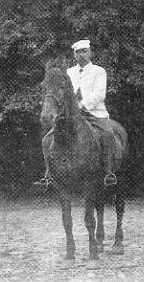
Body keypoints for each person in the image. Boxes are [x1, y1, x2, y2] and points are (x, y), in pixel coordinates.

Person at [35, 39, 117, 187]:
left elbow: (99, 94)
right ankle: (48, 175)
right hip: (70, 115)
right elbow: (64, 93)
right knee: (47, 139)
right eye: (78, 52)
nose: (81, 55)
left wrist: (82, 105)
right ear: (74, 55)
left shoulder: (99, 71)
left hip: (94, 113)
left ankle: (108, 173)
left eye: (84, 51)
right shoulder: (68, 72)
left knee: (108, 133)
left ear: (90, 52)